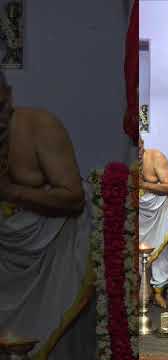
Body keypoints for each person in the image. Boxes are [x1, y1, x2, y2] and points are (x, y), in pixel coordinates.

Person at [0, 71, 95, 359]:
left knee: (54, 342)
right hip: (8, 261)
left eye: (1, 108)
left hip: (53, 256)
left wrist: (10, 192)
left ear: (10, 97)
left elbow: (73, 197)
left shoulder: (39, 126)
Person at [139, 137, 168, 308]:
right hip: (140, 216)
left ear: (142, 144)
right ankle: (143, 289)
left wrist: (141, 184)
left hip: (160, 213)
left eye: (139, 147)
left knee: (162, 254)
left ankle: (159, 292)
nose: (138, 152)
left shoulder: (156, 157)